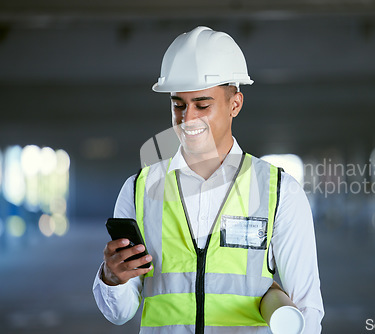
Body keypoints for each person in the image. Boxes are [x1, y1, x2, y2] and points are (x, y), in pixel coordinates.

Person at [93, 26, 324, 333]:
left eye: (202, 105)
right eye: (178, 105)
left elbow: (305, 309)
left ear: (235, 104)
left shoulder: (279, 192)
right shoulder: (139, 189)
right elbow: (120, 313)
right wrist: (112, 277)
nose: (188, 119)